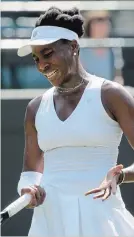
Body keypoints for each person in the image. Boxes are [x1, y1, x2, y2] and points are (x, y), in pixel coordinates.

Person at [17, 7, 134, 236]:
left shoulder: (113, 95)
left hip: (102, 221)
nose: (42, 65)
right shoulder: (34, 108)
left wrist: (119, 176)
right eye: (36, 58)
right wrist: (28, 191)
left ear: (73, 47)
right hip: (49, 224)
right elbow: (30, 171)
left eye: (48, 53)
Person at [80, 10, 124, 85]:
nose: (101, 28)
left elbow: (118, 76)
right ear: (90, 27)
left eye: (104, 24)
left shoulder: (114, 48)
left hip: (109, 91)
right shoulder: (81, 49)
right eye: (98, 25)